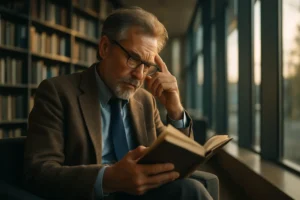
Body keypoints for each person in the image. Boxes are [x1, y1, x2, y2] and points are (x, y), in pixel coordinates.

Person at [23, 7, 215, 200]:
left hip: (144, 194)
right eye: (133, 59)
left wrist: (175, 109)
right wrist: (108, 178)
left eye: (147, 66)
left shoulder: (145, 100)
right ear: (105, 47)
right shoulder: (57, 92)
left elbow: (178, 160)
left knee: (191, 190)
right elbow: (39, 172)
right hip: (94, 194)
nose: (139, 75)